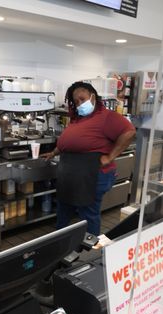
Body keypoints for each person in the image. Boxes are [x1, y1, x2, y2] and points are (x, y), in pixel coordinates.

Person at [43, 81, 136, 236]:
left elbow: (129, 132)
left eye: (82, 99)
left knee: (88, 213)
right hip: (70, 173)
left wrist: (110, 156)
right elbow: (69, 142)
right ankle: (59, 242)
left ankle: (90, 249)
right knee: (63, 209)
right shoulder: (77, 118)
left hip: (91, 174)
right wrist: (54, 152)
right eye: (76, 101)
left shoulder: (106, 116)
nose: (79, 103)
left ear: (93, 96)